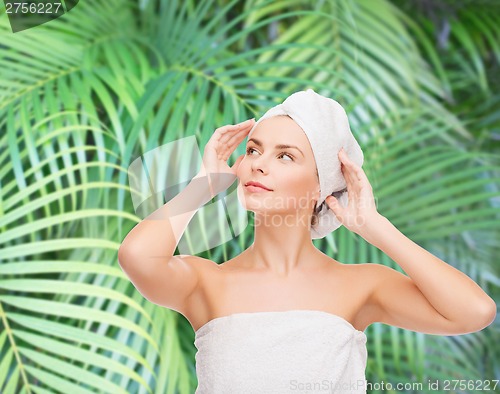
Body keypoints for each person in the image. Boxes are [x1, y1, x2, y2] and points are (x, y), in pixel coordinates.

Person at [118, 91, 496, 394]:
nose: (258, 163)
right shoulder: (207, 282)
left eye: (285, 156)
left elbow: (474, 312)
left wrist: (376, 227)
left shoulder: (361, 285)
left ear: (321, 185)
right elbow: (137, 257)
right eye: (254, 150)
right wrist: (203, 184)